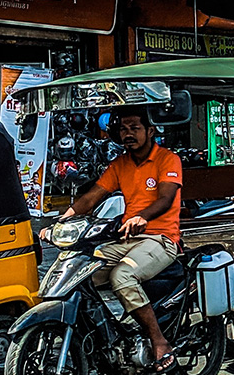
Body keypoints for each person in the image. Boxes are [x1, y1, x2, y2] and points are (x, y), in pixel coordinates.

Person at [47, 109, 183, 372]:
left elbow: (165, 199)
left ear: (150, 131)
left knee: (122, 276)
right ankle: (105, 338)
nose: (128, 134)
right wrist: (60, 223)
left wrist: (141, 218)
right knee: (80, 273)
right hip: (127, 239)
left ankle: (159, 340)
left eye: (134, 127)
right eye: (123, 129)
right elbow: (90, 198)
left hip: (161, 239)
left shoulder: (168, 160)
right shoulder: (120, 164)